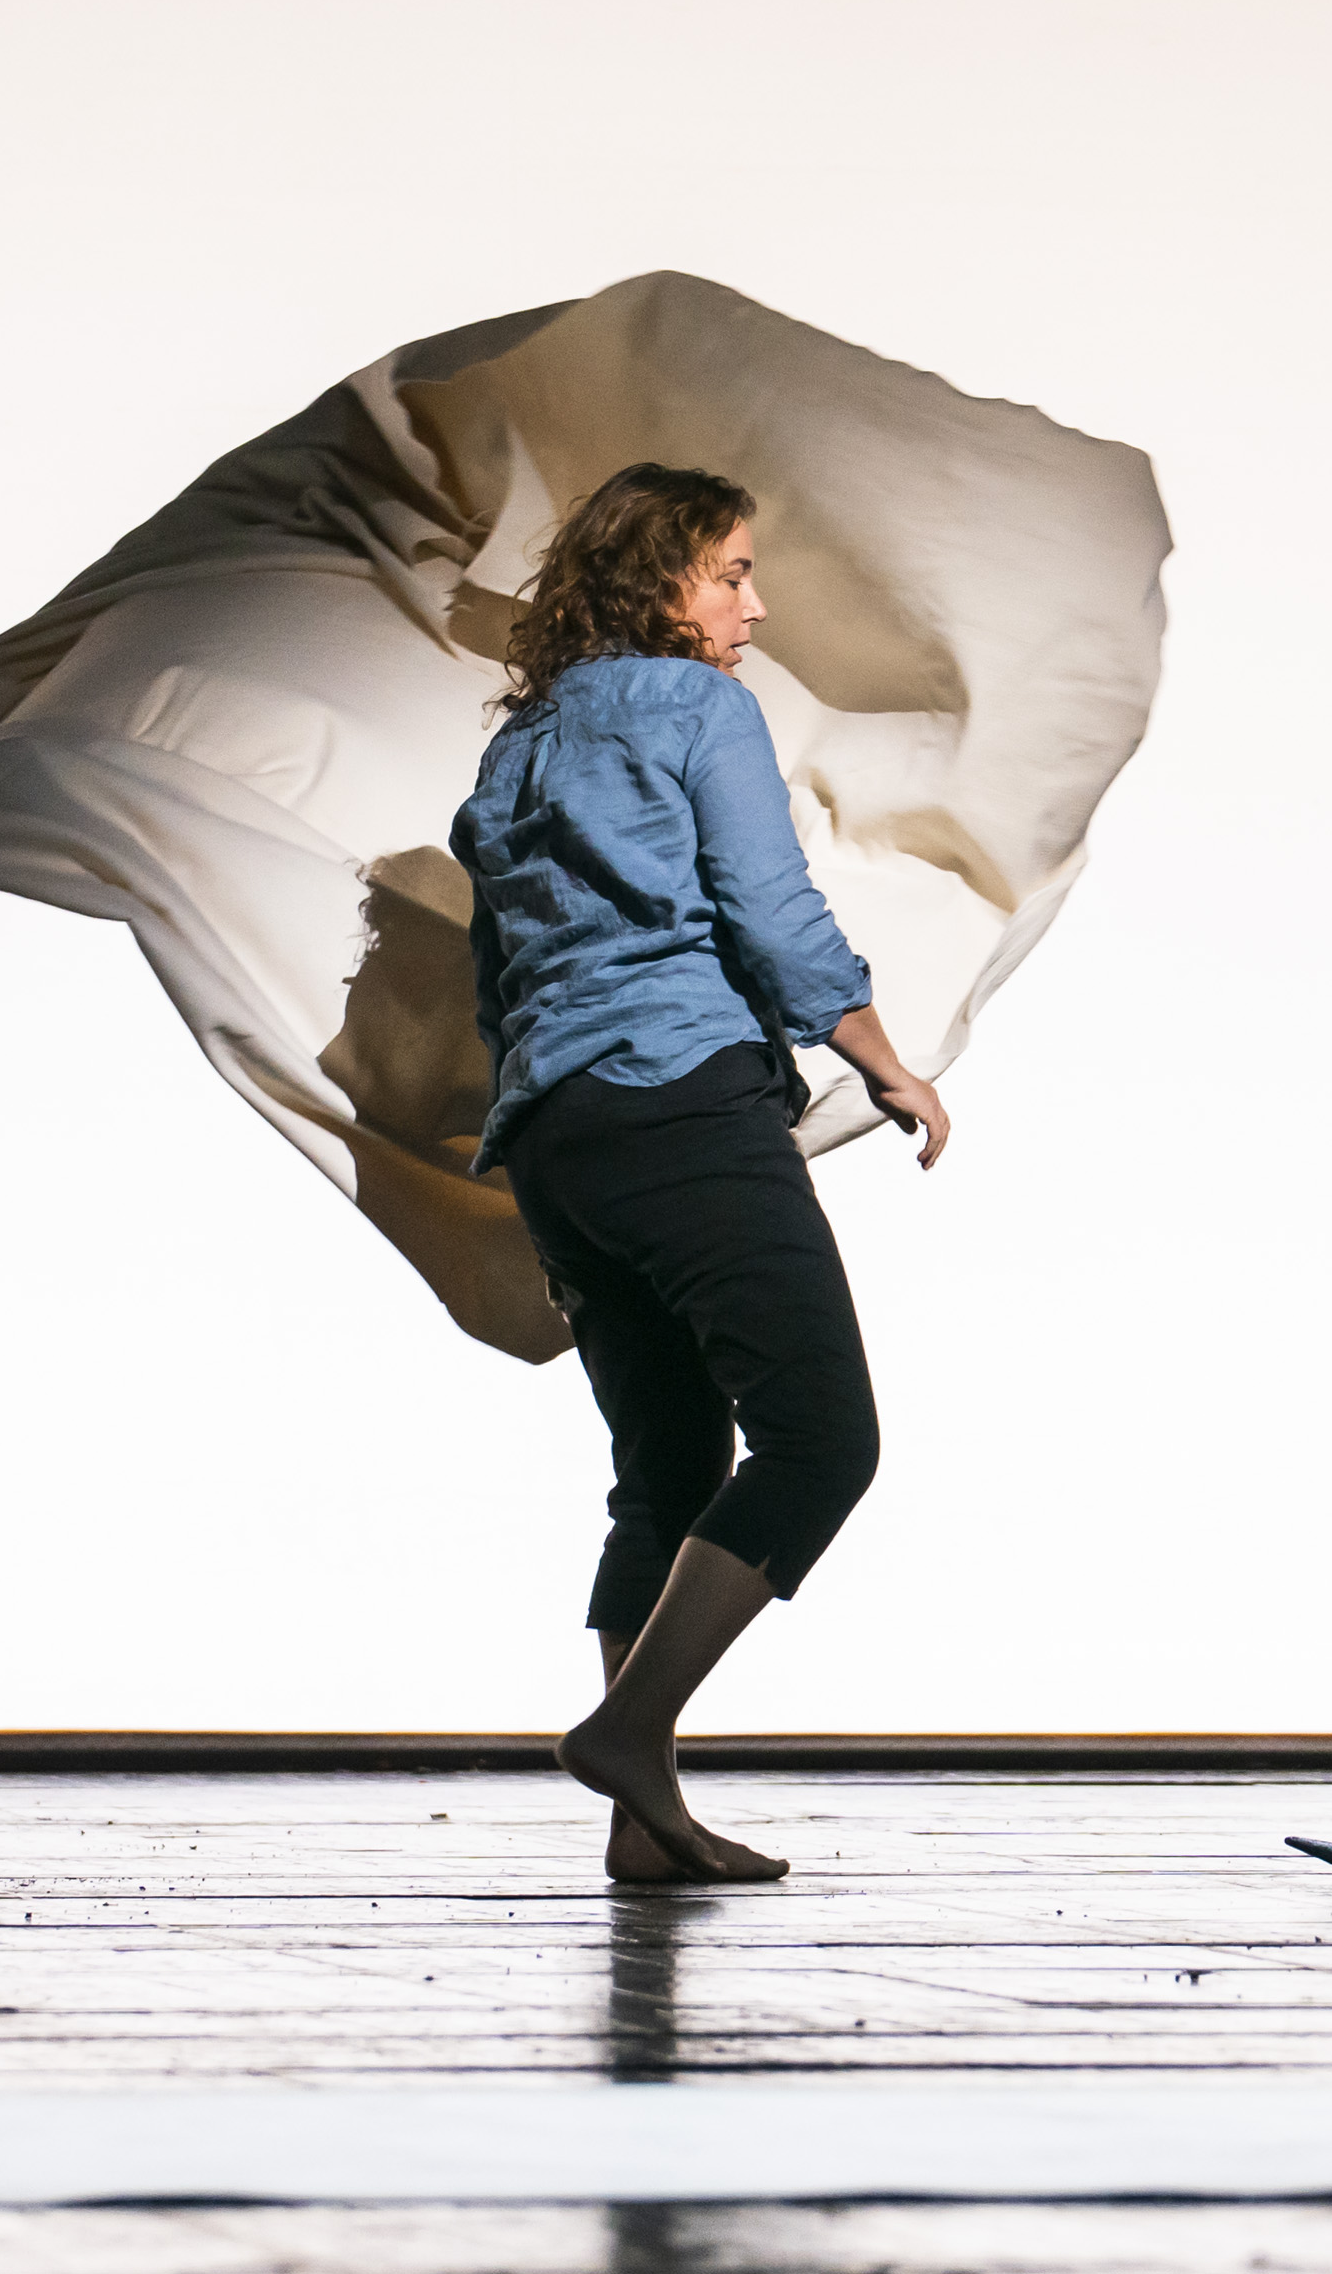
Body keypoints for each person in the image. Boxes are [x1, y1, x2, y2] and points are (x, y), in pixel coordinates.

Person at [454, 462, 951, 1884]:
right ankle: (629, 1735)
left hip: (559, 1141)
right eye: (730, 572)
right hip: (682, 1104)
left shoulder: (518, 750)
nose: (755, 603)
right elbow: (771, 911)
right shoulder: (695, 707)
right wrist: (884, 1059)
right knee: (822, 1442)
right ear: (658, 580)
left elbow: (496, 984)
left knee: (666, 1474)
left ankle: (645, 1822)